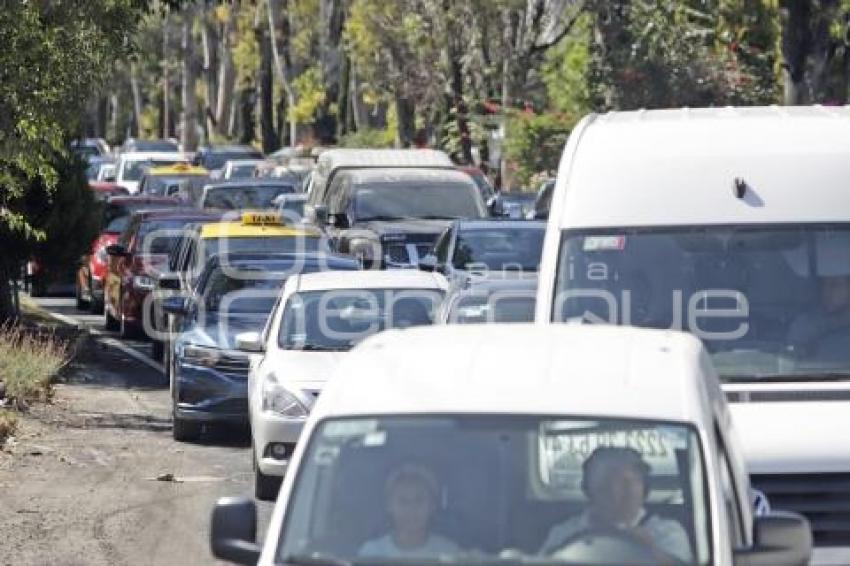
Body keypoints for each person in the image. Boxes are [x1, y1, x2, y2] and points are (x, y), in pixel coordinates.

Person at [540, 446, 692, 564]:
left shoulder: (667, 533)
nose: (615, 491)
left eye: (628, 483)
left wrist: (650, 551)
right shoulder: (564, 533)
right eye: (606, 482)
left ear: (644, 488)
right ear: (588, 488)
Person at [359, 463, 459, 559]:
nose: (411, 509)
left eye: (419, 500)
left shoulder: (450, 553)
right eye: (403, 501)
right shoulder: (372, 553)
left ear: (432, 506)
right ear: (389, 506)